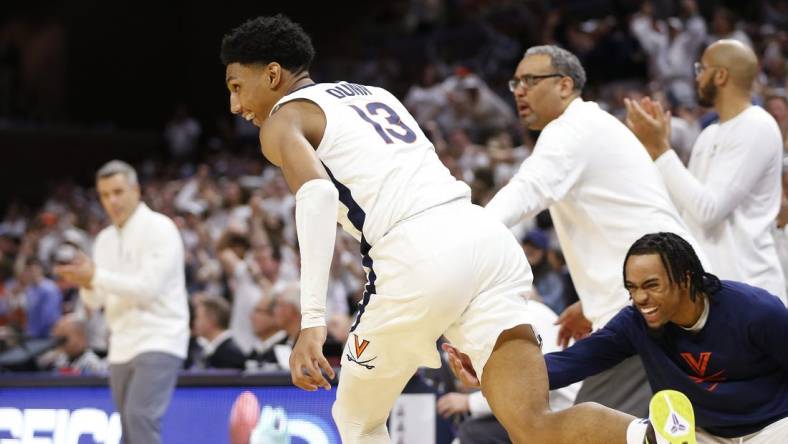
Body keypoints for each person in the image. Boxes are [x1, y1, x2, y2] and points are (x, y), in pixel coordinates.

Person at [220, 15, 695, 444]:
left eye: (238, 86)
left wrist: (311, 322)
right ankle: (651, 436)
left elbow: (319, 197)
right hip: (484, 242)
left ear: (273, 75)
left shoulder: (282, 120)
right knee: (534, 424)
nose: (236, 103)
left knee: (358, 419)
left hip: (415, 255)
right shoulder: (374, 95)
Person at [485, 44, 706, 416]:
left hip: (654, 300)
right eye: (515, 83)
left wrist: (465, 234)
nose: (519, 90)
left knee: (588, 429)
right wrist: (592, 301)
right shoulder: (589, 127)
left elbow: (525, 192)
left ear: (565, 85)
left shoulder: (573, 129)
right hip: (669, 289)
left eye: (530, 80)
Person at [446, 232, 788, 443]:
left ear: (686, 278)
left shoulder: (756, 311)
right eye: (632, 288)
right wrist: (492, 372)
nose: (640, 298)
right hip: (699, 435)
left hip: (772, 428)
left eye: (651, 286)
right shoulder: (636, 323)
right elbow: (571, 363)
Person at [625, 39, 787, 305]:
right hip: (715, 287)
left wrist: (662, 151)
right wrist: (654, 152)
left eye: (702, 69)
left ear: (721, 75)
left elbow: (708, 212)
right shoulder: (709, 134)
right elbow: (683, 210)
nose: (697, 77)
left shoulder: (757, 125)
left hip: (752, 289)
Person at [55, 160, 189, 444]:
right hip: (120, 343)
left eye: (118, 191)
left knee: (140, 418)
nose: (112, 201)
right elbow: (96, 299)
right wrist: (86, 282)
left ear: (135, 190)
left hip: (160, 336)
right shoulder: (103, 239)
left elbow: (148, 289)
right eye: (104, 195)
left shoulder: (160, 228)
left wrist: (97, 275)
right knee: (129, 428)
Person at [436, 299, 581, 443]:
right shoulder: (516, 311)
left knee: (471, 433)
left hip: (562, 407)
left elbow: (528, 386)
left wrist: (470, 402)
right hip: (555, 401)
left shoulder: (514, 318)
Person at [192, 294, 246, 370]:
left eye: (198, 317)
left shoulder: (230, 355)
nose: (194, 322)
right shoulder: (211, 351)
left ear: (212, 320)